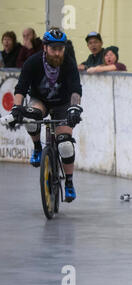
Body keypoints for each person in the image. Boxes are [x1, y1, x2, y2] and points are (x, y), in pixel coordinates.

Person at [7, 28, 83, 202]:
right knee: (31, 117)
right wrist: (17, 108)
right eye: (53, 48)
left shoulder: (68, 63)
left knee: (65, 145)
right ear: (45, 47)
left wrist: (74, 108)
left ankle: (69, 183)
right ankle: (37, 148)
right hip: (40, 101)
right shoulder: (32, 62)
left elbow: (75, 90)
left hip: (63, 103)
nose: (57, 53)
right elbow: (21, 88)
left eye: (61, 48)